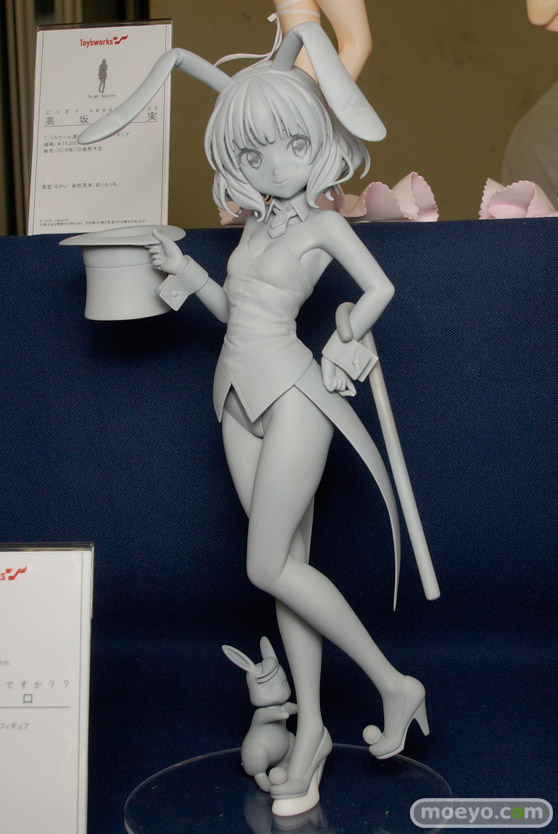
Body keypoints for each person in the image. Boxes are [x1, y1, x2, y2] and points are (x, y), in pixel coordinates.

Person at [79, 22, 434, 817]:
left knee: (268, 566)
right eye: (255, 153)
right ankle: (311, 735)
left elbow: (380, 288)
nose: (276, 166)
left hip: (295, 397)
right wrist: (185, 271)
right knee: (289, 569)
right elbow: (235, 312)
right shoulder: (260, 226)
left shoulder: (323, 226)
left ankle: (393, 682)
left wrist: (349, 327)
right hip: (234, 398)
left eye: (293, 145)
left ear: (317, 141)